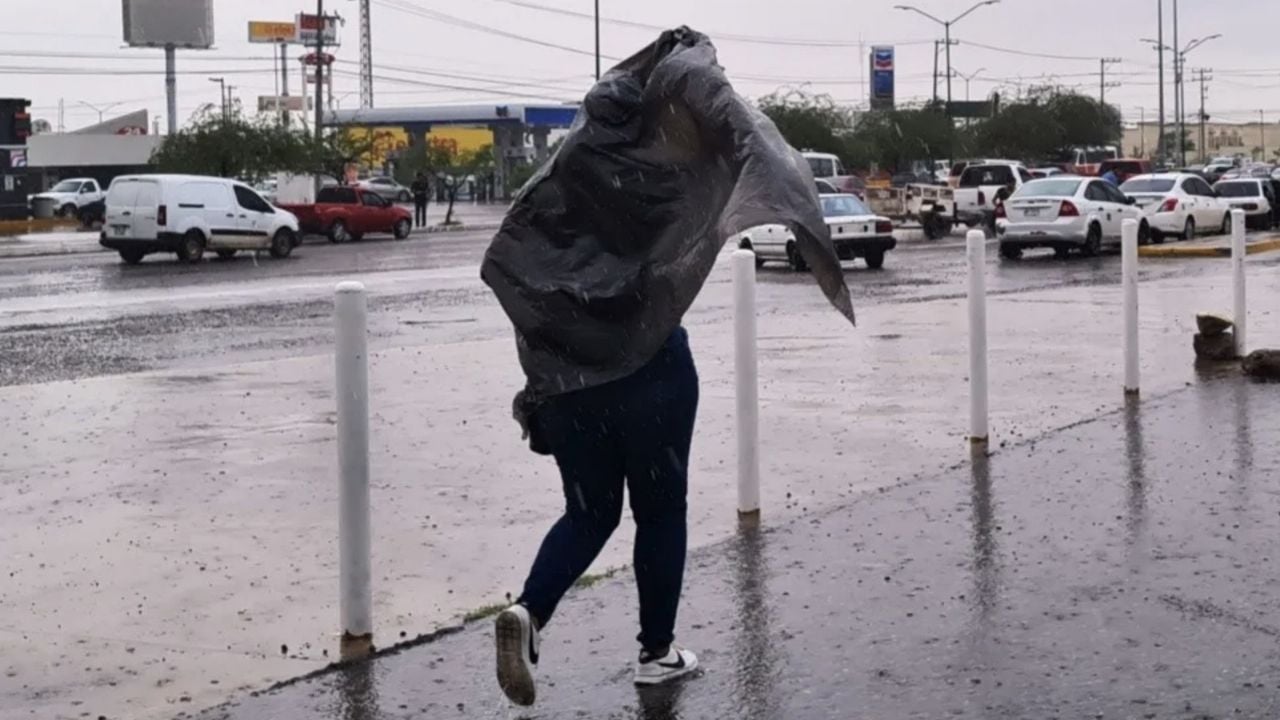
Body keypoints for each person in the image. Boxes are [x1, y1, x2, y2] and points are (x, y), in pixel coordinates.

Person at [481, 27, 855, 708]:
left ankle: (530, 613)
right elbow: (747, 151)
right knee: (660, 510)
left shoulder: (569, 168)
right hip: (651, 367)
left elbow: (511, 255)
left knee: (588, 514)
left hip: (569, 377)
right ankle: (657, 653)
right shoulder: (664, 171)